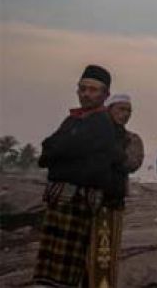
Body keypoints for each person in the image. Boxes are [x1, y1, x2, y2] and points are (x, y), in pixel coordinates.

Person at [34, 64, 128, 288]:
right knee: (49, 270)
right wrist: (61, 154)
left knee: (65, 272)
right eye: (82, 89)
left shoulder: (102, 123)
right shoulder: (73, 120)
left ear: (105, 95)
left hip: (77, 204)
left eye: (93, 90)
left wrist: (59, 159)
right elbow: (47, 151)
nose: (86, 94)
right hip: (62, 201)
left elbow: (62, 154)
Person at [84, 93, 146, 287]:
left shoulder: (132, 139)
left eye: (129, 111)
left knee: (105, 258)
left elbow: (132, 163)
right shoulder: (91, 132)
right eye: (121, 109)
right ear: (108, 110)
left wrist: (107, 152)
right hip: (84, 203)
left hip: (111, 203)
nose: (126, 114)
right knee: (81, 258)